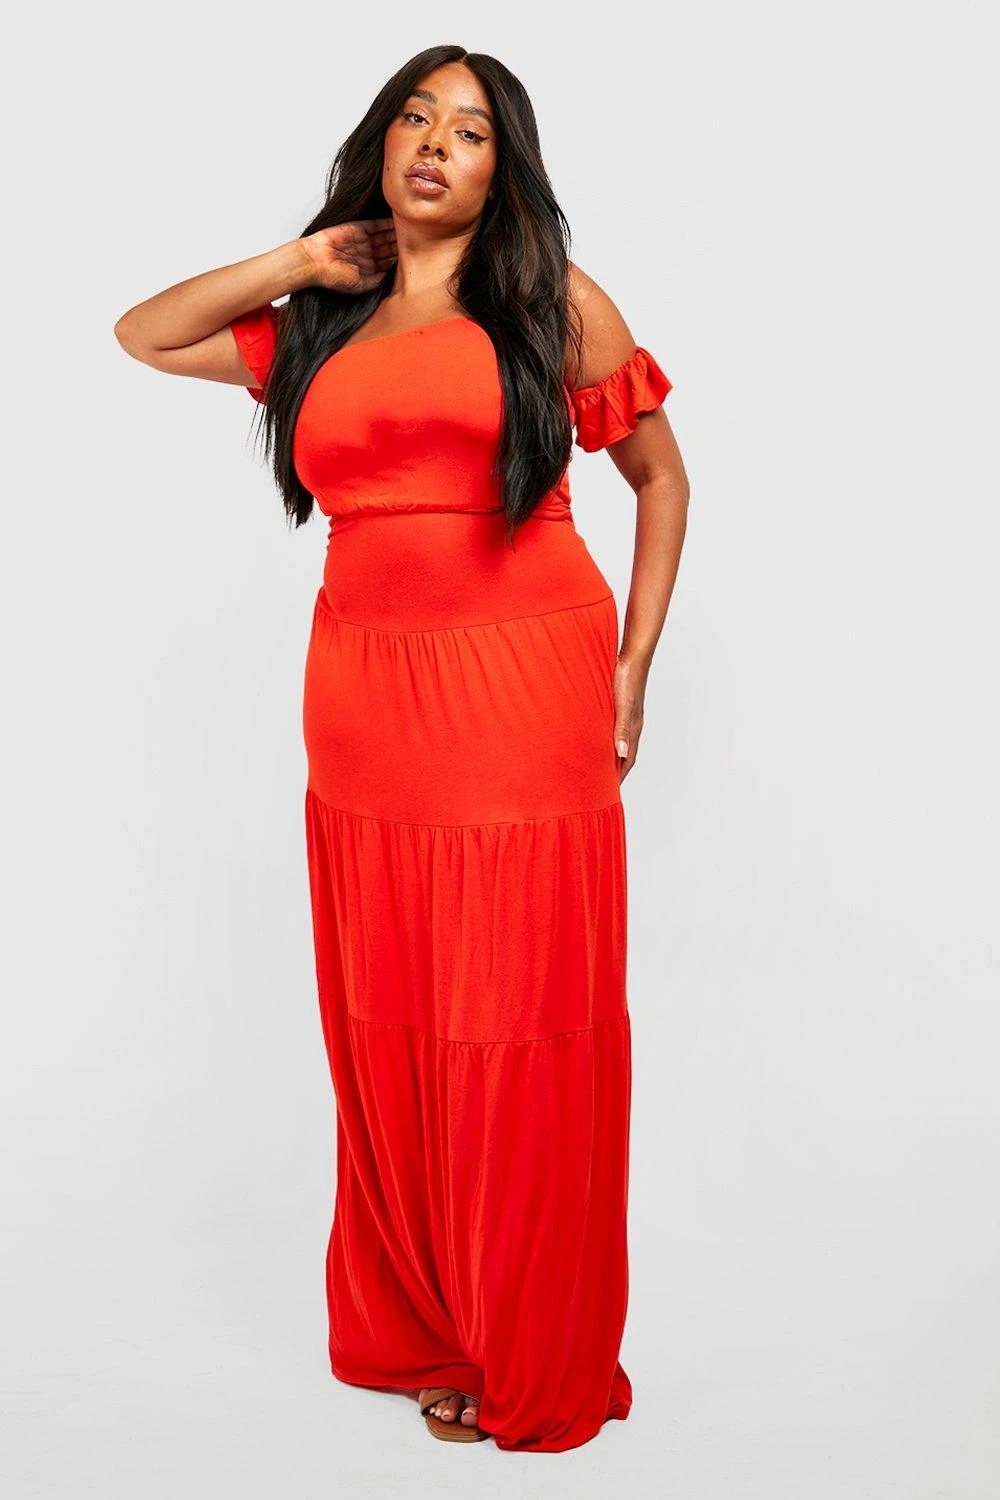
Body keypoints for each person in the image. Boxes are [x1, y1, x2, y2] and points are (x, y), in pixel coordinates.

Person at [114, 43, 690, 1455]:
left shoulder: (548, 301)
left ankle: (524, 1338)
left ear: (507, 168)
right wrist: (303, 259)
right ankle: (433, 1322)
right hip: (365, 701)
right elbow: (145, 332)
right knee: (396, 1018)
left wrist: (632, 666)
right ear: (381, 143)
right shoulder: (324, 321)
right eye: (417, 118)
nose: (437, 143)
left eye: (472, 130)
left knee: (513, 1017)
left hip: (523, 684)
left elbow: (662, 476)